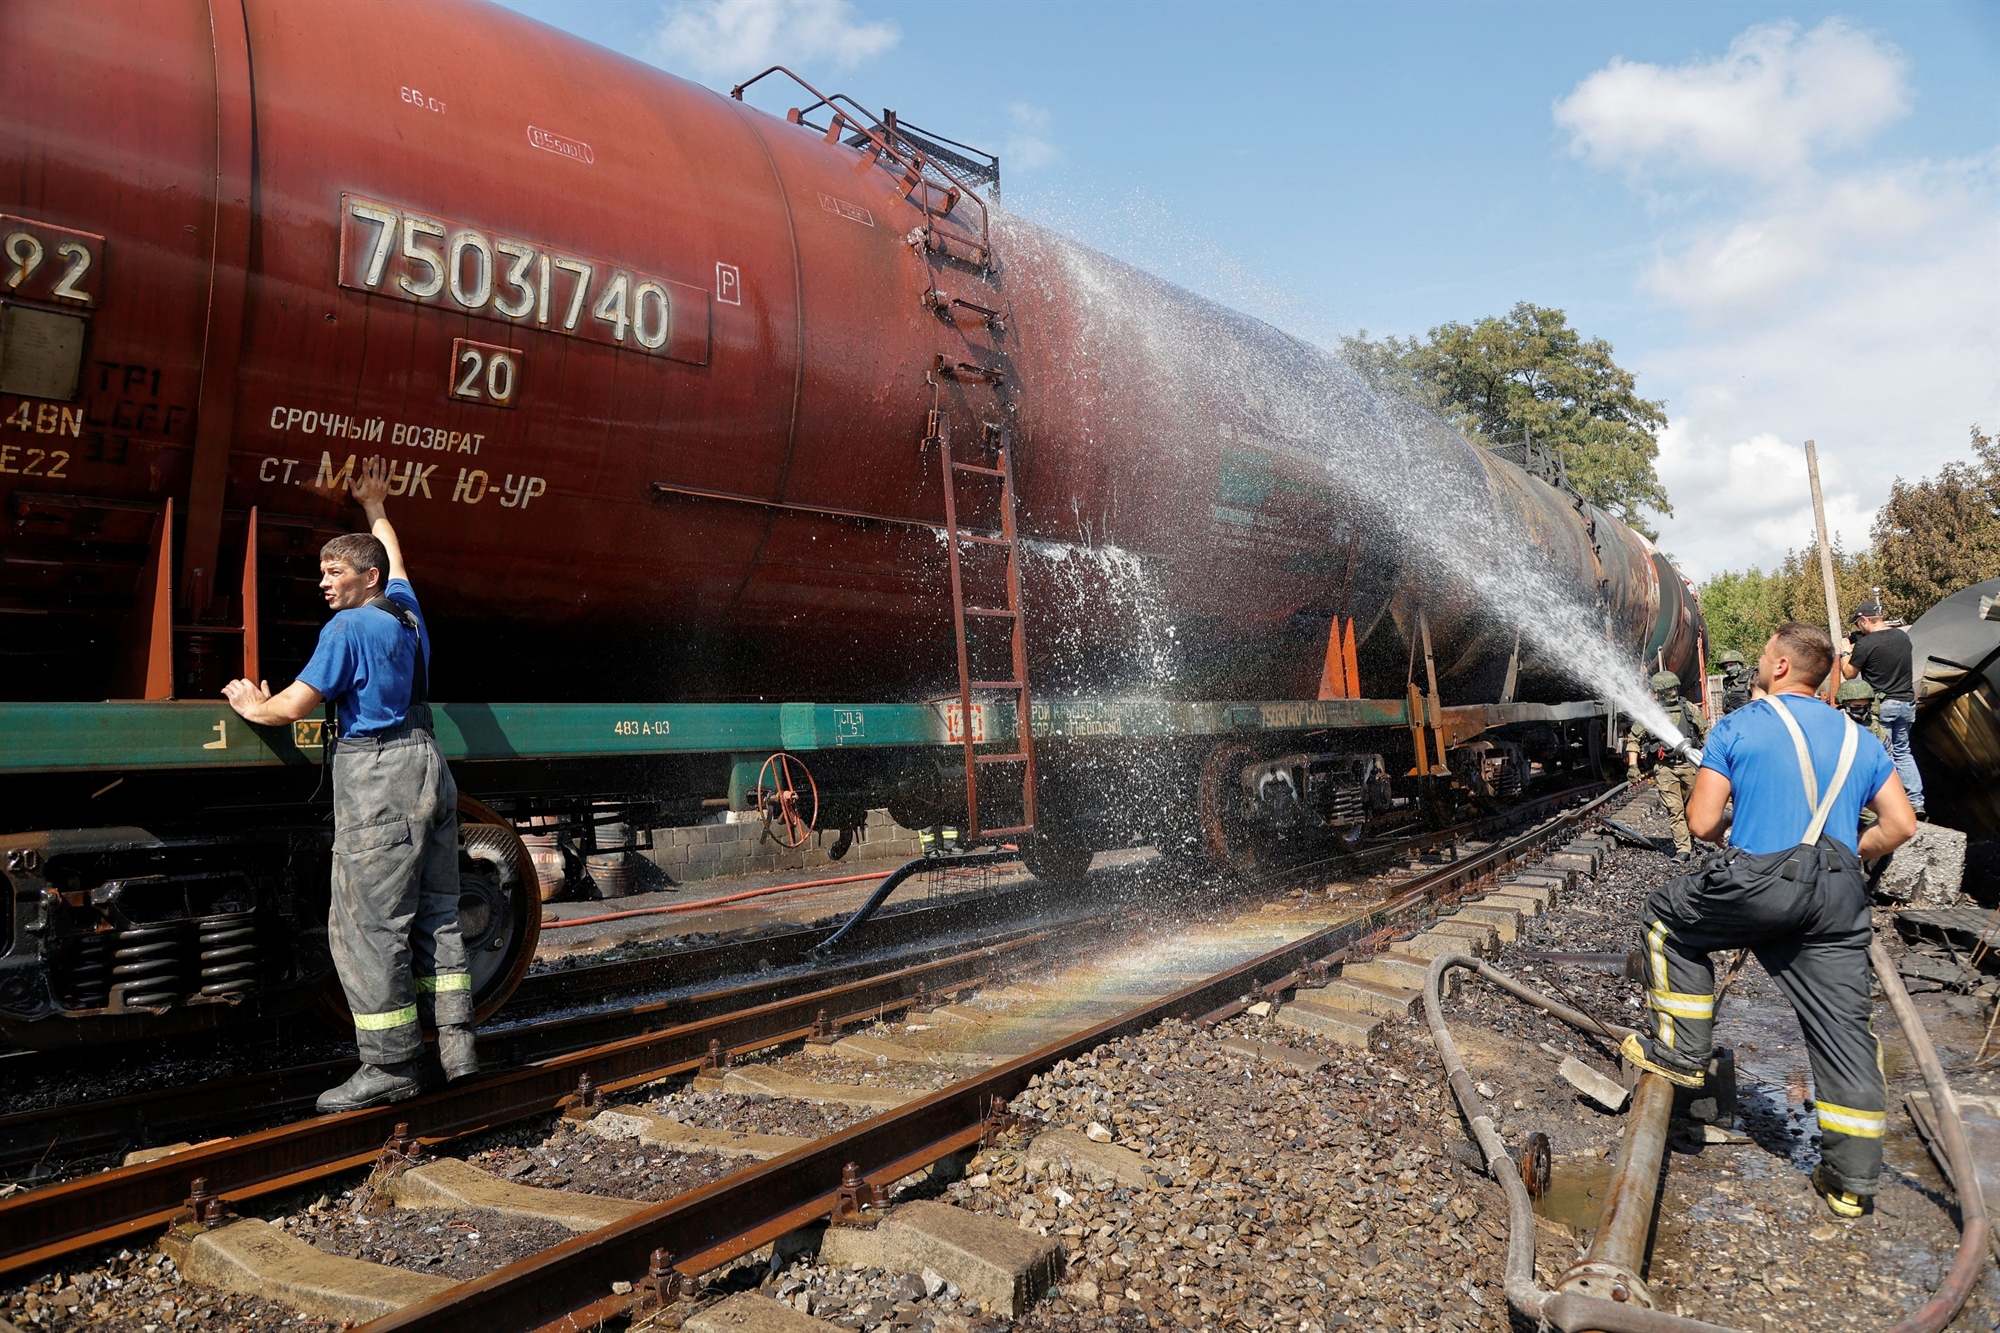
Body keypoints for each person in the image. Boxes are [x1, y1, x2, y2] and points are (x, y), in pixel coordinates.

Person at [1622, 622, 1917, 1218]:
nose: (1758, 661)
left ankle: (1681, 1052)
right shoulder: (1860, 738)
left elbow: (1703, 824)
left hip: (1757, 882)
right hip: (1837, 894)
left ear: (1782, 667)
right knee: (1843, 1031)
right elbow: (1901, 826)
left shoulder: (1738, 726)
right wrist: (1840, 855)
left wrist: (1754, 833)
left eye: (1764, 654)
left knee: (1667, 920)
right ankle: (1851, 1184)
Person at [222, 456, 475, 1111]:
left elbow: (293, 706)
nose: (323, 583)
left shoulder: (348, 626)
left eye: (335, 572)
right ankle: (456, 1048)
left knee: (368, 927)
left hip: (379, 777)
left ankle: (390, 1066)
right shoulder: (406, 616)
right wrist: (375, 505)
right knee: (438, 914)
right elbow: (398, 562)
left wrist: (251, 703)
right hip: (429, 763)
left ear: (366, 579)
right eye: (322, 571)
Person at [1840, 602, 1925, 818]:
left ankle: (1893, 805)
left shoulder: (1866, 645)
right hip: (1906, 703)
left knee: (1885, 755)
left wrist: (1844, 651)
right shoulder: (1902, 638)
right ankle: (1916, 802)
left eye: (1859, 625)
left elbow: (1849, 673)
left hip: (1883, 706)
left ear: (1864, 620)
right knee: (1903, 752)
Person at [1625, 670, 1708, 860]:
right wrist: (1633, 766)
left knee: (1692, 808)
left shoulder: (1689, 709)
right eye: (1667, 690)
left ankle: (1691, 841)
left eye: (1674, 689)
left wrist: (1706, 758)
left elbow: (1706, 732)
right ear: (1659, 692)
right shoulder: (1649, 714)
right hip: (1664, 769)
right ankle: (1683, 850)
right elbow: (1634, 739)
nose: (1672, 692)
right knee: (1674, 809)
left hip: (1689, 767)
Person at [1716, 649, 1754, 715]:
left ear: (1739, 664)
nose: (1728, 669)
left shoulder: (1752, 676)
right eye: (1725, 667)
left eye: (1731, 665)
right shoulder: (1726, 682)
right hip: (1731, 718)